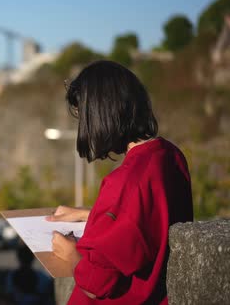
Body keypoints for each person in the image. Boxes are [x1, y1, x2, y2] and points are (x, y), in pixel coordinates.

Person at [47, 60, 193, 304]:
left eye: (85, 117)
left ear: (102, 115)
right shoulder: (169, 155)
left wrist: (71, 254)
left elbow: (98, 284)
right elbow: (147, 217)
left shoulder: (125, 180)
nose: (86, 126)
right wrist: (89, 214)